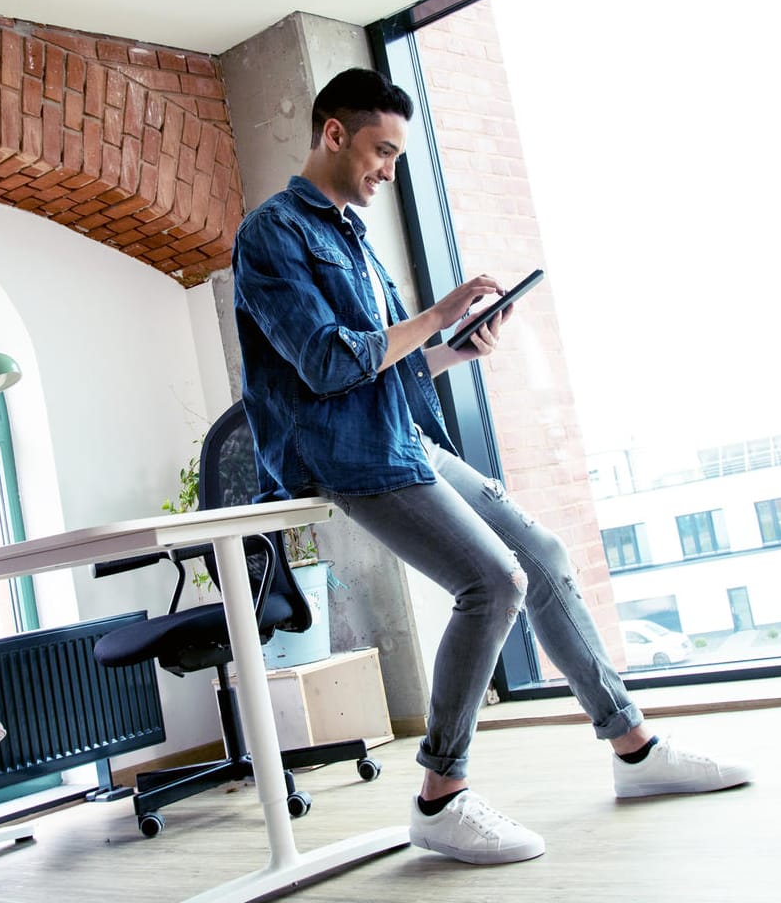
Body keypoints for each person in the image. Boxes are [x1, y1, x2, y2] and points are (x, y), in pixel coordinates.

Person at [231, 67, 753, 866]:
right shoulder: (272, 234)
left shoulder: (351, 237)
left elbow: (390, 368)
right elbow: (329, 366)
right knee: (494, 583)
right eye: (381, 150)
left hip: (401, 432)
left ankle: (637, 751)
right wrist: (434, 313)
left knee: (540, 557)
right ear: (333, 133)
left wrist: (450, 348)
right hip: (345, 453)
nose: (388, 170)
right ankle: (441, 795)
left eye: (400, 156)